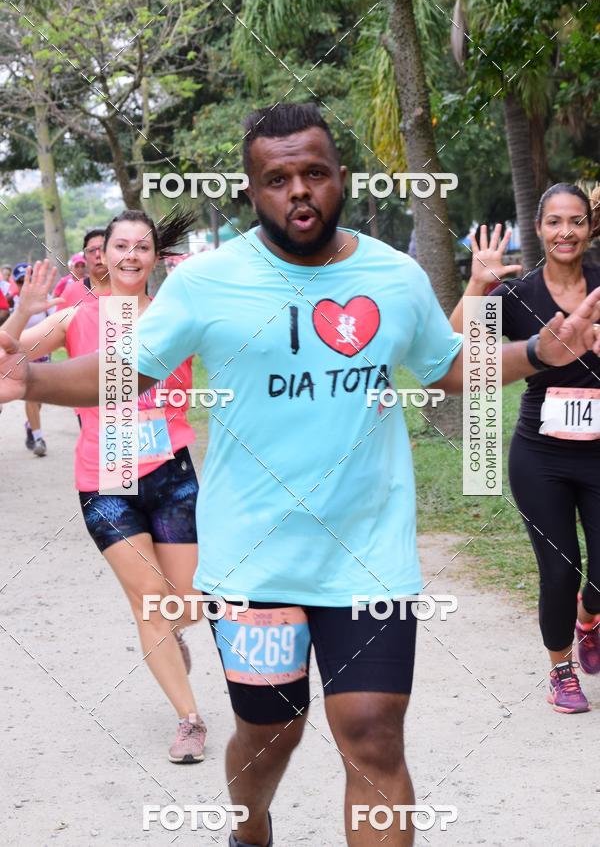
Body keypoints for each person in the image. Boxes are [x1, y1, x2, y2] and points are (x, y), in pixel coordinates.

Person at [2, 105, 600, 847]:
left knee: (374, 734)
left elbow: (446, 365)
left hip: (367, 555)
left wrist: (537, 354)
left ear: (338, 177)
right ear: (252, 191)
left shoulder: (392, 274)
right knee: (269, 732)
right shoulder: (209, 283)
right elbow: (124, 370)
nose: (299, 191)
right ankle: (248, 827)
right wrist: (30, 374)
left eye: (313, 172)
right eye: (277, 178)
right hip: (256, 559)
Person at [0, 210, 208, 763]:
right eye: (121, 245)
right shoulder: (75, 317)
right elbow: (6, 370)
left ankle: (175, 630)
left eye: (143, 246)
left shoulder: (177, 316)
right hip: (104, 478)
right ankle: (190, 720)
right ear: (103, 255)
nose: (130, 255)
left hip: (170, 471)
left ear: (156, 257)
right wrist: (22, 312)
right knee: (149, 603)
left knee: (187, 603)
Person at [450, 185, 600, 714]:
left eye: (576, 222)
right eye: (555, 222)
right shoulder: (518, 297)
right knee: (559, 568)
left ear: (589, 228)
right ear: (538, 229)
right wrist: (475, 283)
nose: (566, 232)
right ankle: (560, 669)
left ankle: (588, 618)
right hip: (541, 456)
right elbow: (455, 352)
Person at [9, 261, 62, 456]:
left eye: (27, 279)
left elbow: (56, 325)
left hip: (43, 354)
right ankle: (39, 438)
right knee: (31, 395)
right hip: (23, 355)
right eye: (20, 281)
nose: (25, 284)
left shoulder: (47, 300)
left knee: (39, 397)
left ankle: (29, 425)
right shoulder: (15, 303)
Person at [60, 228, 110, 307]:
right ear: (85, 258)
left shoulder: (129, 288)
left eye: (103, 249)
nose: (98, 254)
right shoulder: (71, 292)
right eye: (91, 250)